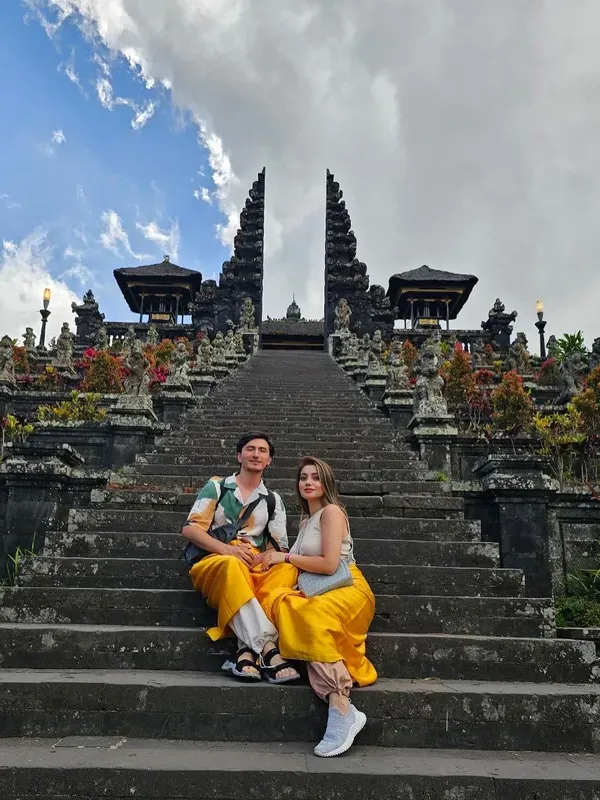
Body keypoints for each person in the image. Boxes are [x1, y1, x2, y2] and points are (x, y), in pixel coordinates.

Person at [257, 456, 377, 758]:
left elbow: (329, 563)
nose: (308, 482)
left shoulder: (332, 512)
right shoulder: (307, 520)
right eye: (303, 478)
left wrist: (284, 558)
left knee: (305, 616)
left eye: (315, 477)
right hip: (320, 590)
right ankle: (342, 709)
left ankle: (340, 705)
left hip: (348, 588)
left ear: (326, 484)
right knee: (293, 610)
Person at [181, 432, 300, 684]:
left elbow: (278, 548)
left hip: (252, 564)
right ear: (239, 455)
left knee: (289, 571)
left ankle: (245, 651)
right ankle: (268, 648)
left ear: (269, 460)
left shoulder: (272, 500)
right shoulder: (217, 486)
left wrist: (260, 560)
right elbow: (190, 530)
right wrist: (228, 550)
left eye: (262, 450)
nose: (256, 454)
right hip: (215, 559)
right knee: (233, 564)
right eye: (250, 449)